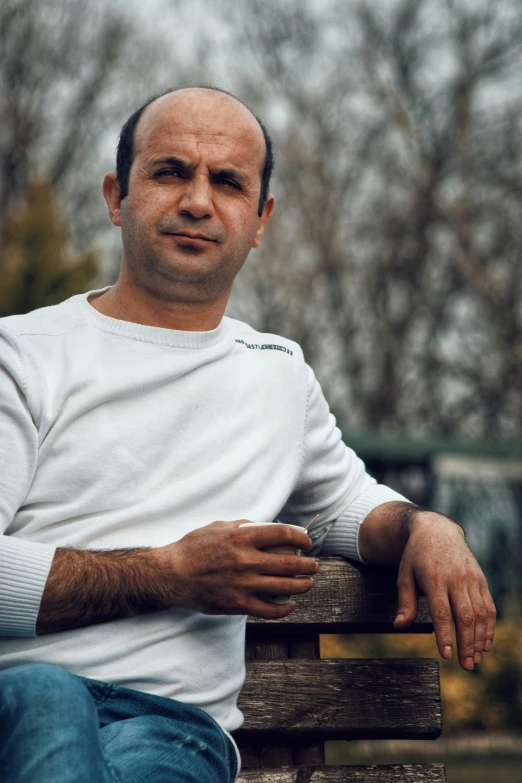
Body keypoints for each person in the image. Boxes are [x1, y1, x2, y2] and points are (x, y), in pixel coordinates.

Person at [0, 87, 496, 783]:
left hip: (170, 730)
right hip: (16, 700)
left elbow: (348, 507)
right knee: (46, 695)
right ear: (116, 197)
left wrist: (429, 529)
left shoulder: (279, 374)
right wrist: (169, 574)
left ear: (260, 219)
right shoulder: (21, 355)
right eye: (171, 171)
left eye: (228, 182)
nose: (198, 201)